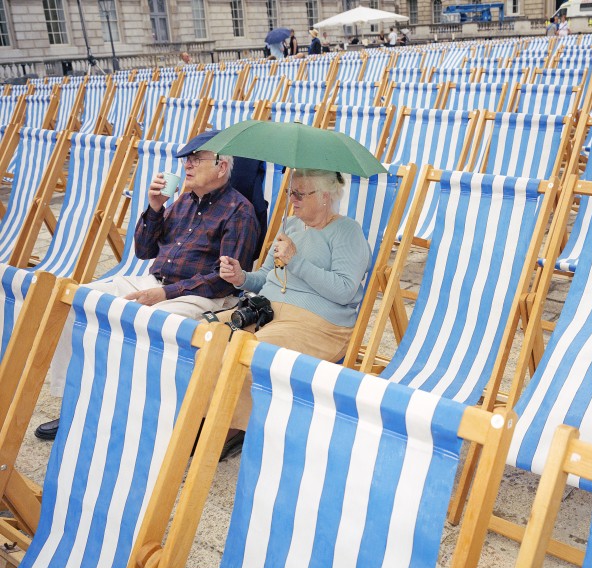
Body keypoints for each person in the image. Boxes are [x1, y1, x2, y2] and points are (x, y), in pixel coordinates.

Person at [34, 131, 260, 441]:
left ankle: (134, 412)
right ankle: (77, 399)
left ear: (221, 167)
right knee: (77, 302)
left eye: (196, 160)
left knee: (149, 325)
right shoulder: (182, 201)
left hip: (202, 296)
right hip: (156, 281)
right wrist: (155, 207)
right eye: (187, 160)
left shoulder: (240, 212)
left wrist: (164, 293)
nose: (188, 166)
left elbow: (222, 280)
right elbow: (143, 250)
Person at [216, 168, 371, 459]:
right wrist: (240, 278)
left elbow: (344, 290)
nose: (293, 199)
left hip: (316, 324)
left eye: (300, 193)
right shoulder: (291, 226)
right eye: (290, 192)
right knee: (203, 334)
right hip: (265, 311)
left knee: (251, 355)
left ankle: (231, 427)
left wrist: (295, 261)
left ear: (325, 196)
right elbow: (265, 277)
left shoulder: (347, 231)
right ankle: (204, 413)